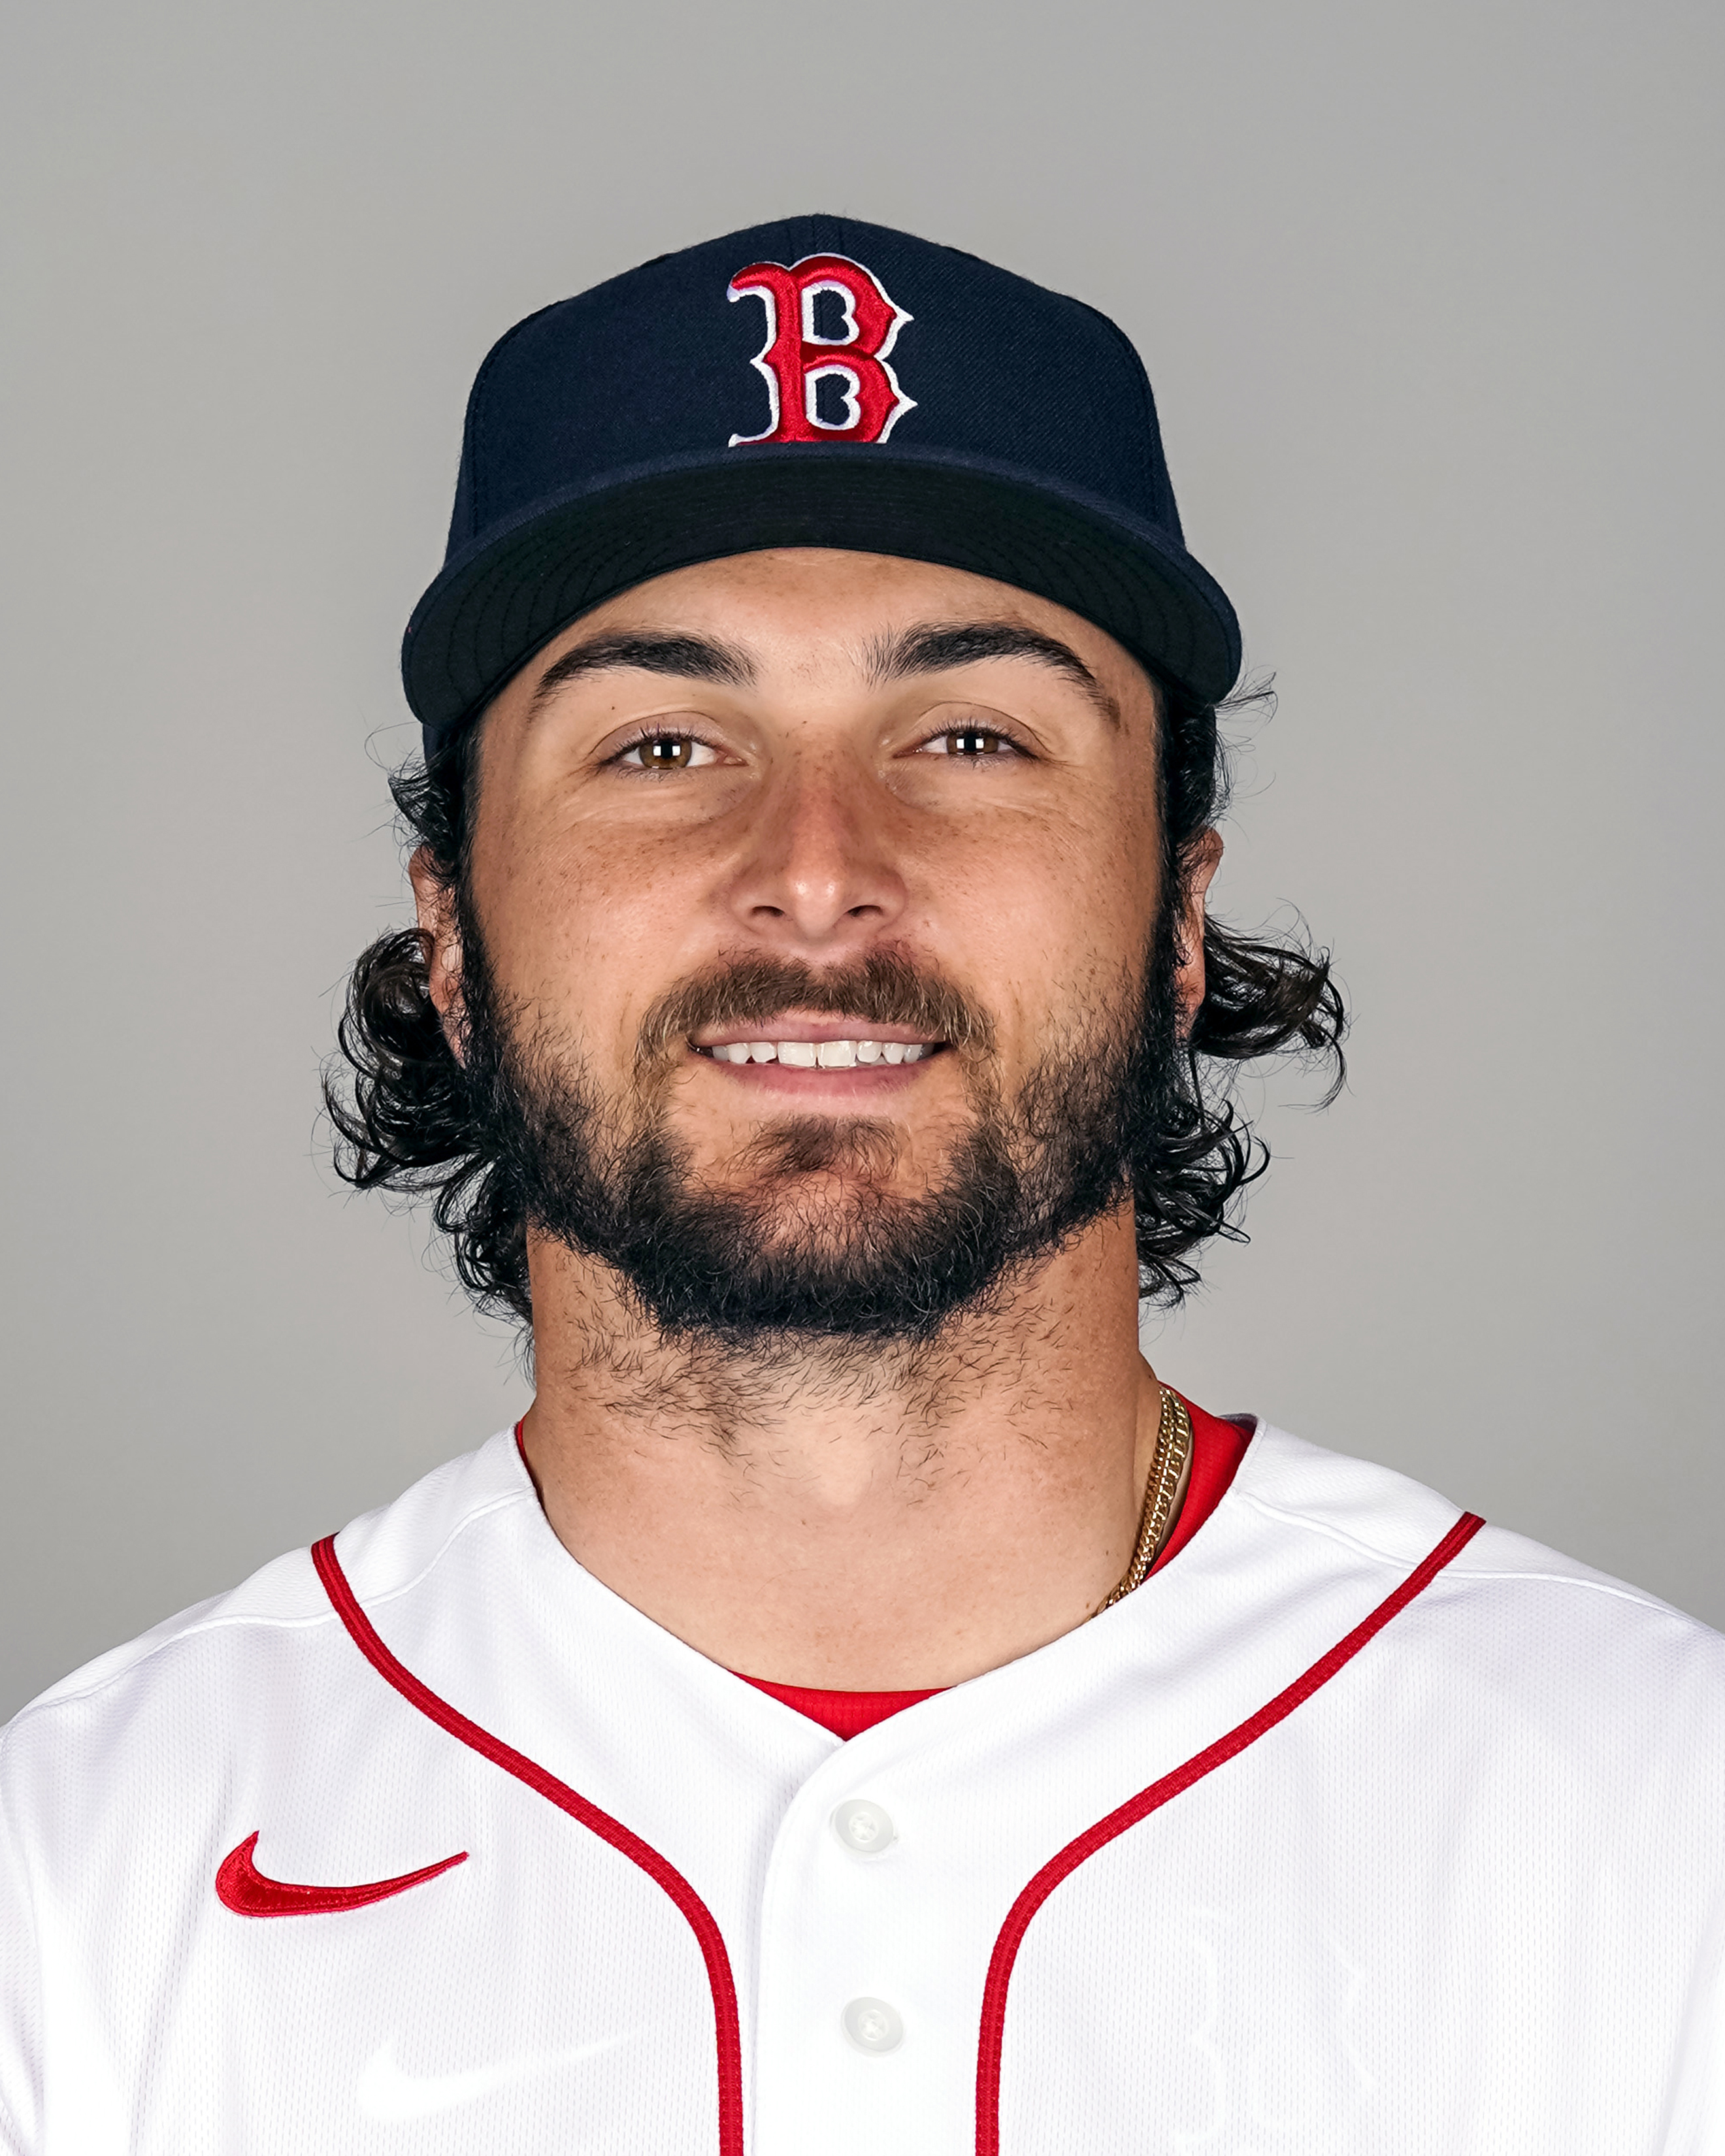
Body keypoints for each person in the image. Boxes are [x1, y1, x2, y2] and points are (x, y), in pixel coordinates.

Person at [1, 214, 1719, 2155]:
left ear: (1179, 913)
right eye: (663, 743)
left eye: (972, 736)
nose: (817, 870)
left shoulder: (1659, 1831)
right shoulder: (71, 1897)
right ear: (454, 939)